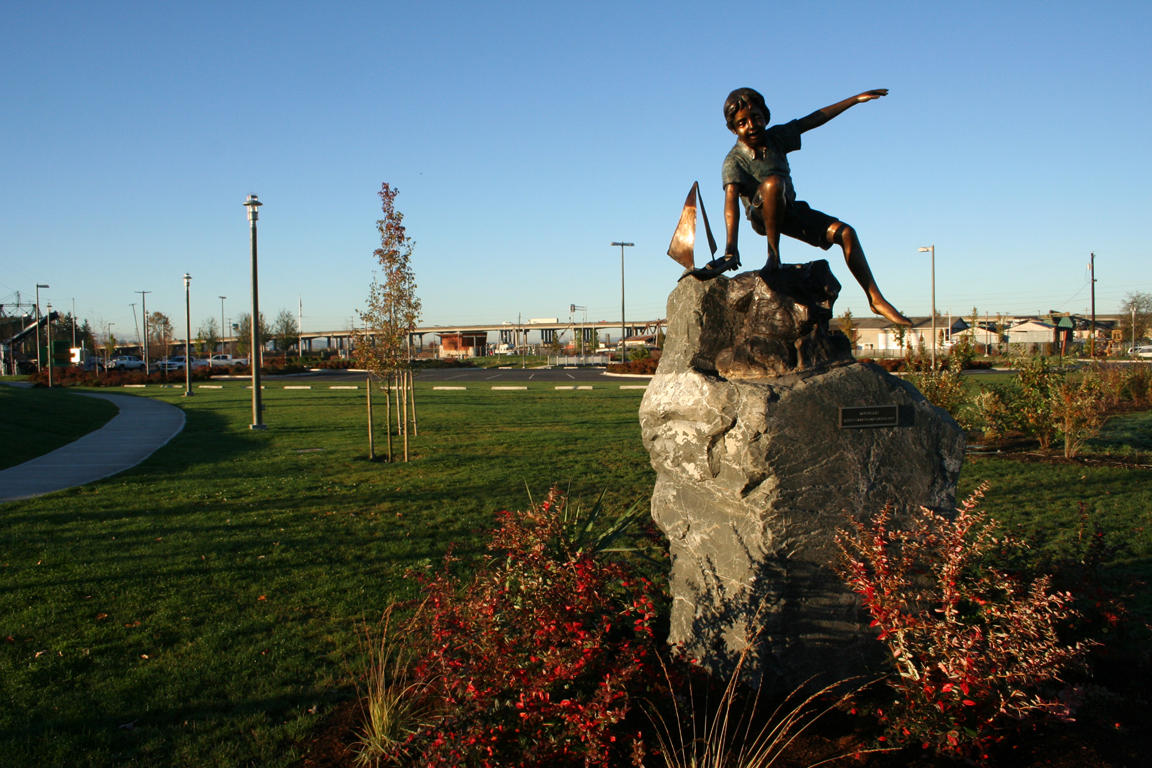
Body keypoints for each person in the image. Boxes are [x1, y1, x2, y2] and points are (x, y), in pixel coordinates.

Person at [695, 87, 911, 327]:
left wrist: (854, 100)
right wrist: (731, 249)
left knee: (846, 233)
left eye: (756, 118)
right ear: (733, 128)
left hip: (790, 210)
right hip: (761, 215)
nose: (752, 125)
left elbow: (814, 119)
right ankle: (773, 255)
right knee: (773, 183)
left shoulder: (776, 138)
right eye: (742, 123)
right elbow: (730, 204)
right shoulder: (734, 160)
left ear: (765, 117)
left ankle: (875, 298)